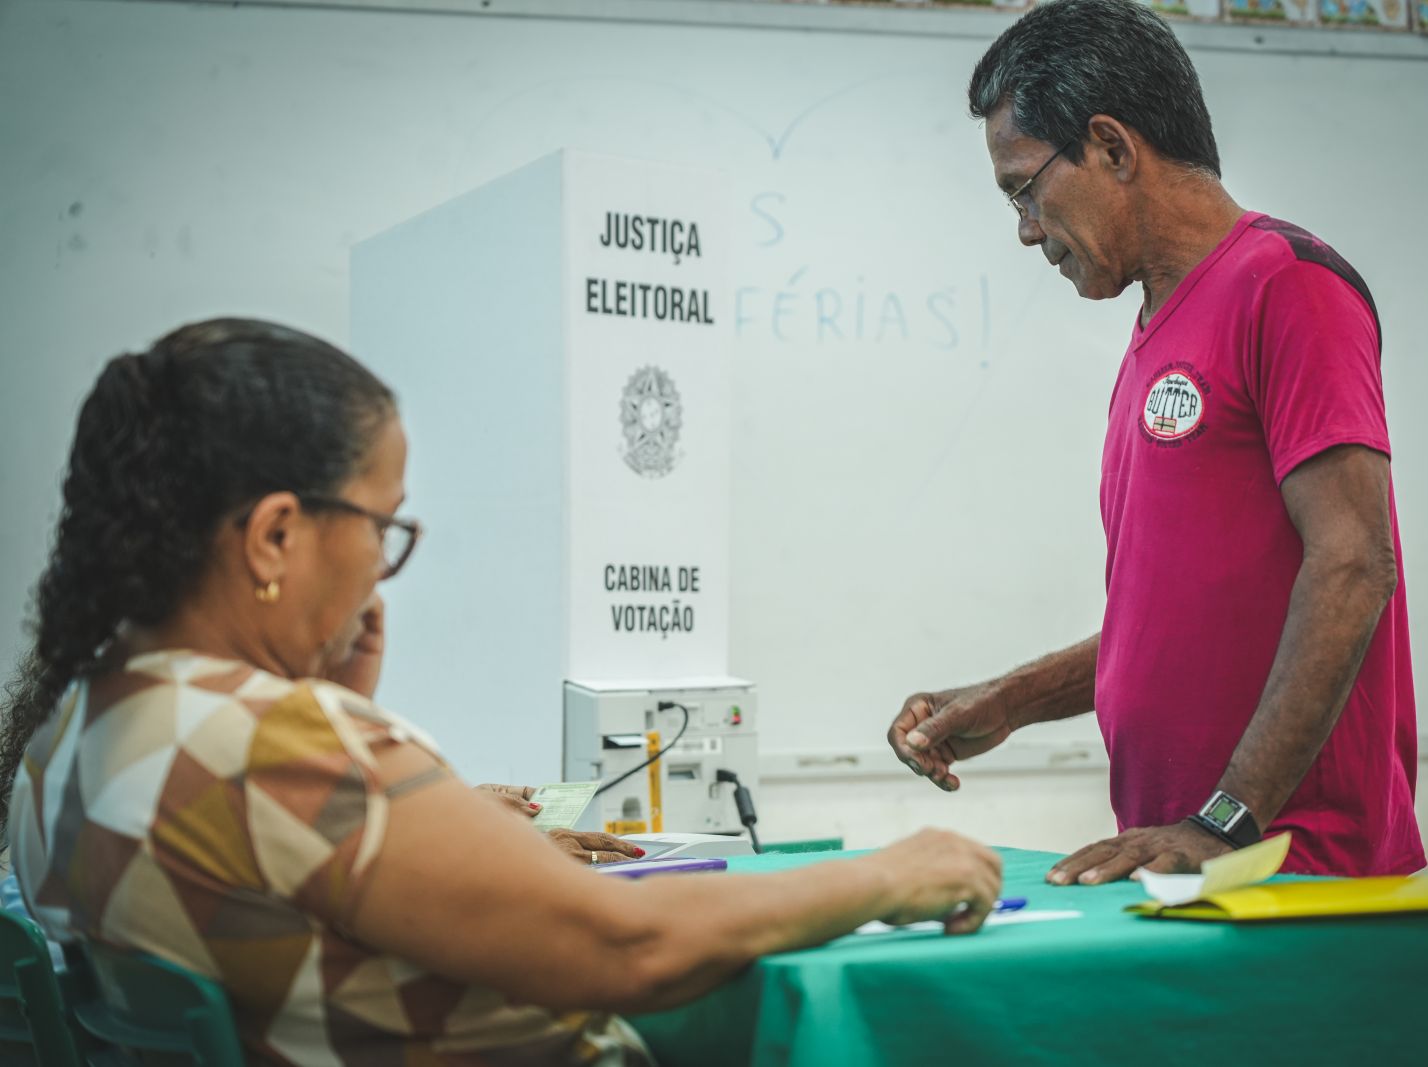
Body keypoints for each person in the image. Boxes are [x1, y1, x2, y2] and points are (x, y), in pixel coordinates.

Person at [0, 318, 1002, 1066]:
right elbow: (626, 943)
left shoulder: (71, 730)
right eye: (381, 525)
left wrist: (334, 699)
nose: (381, 567)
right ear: (273, 534)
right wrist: (890, 871)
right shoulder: (278, 745)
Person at [887, 0, 1424, 884]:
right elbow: (1187, 620)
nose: (1026, 227)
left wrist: (1225, 819)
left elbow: (1354, 562)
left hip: (1292, 869)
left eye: (1025, 188)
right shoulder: (1156, 329)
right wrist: (1012, 700)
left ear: (1111, 146)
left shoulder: (1287, 285)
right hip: (1187, 857)